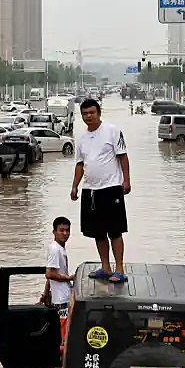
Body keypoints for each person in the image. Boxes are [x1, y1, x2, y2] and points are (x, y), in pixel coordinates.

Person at [70, 99, 131, 283]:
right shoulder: (81, 139)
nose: (89, 116)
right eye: (85, 114)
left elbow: (123, 157)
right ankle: (105, 267)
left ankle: (119, 268)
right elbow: (80, 164)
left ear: (99, 112)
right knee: (98, 232)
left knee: (115, 231)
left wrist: (126, 181)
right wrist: (75, 186)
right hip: (91, 190)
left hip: (111, 188)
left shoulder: (112, 131)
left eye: (92, 113)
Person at [41, 216, 74, 315]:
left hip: (63, 296)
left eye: (67, 230)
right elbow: (49, 274)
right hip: (62, 299)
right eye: (61, 230)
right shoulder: (55, 249)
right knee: (64, 328)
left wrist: (46, 293)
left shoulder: (59, 248)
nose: (65, 233)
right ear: (54, 232)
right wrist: (69, 278)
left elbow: (51, 271)